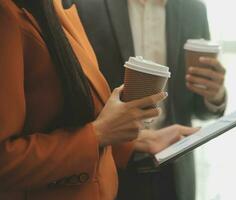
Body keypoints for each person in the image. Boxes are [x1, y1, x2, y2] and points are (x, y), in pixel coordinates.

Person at [0, 0, 198, 199]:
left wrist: (140, 140)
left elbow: (72, 116)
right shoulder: (8, 15)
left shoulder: (57, 7)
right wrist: (98, 134)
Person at [75, 0, 227, 200]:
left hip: (174, 172)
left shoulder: (194, 9)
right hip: (109, 165)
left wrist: (214, 94)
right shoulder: (84, 5)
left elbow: (198, 107)